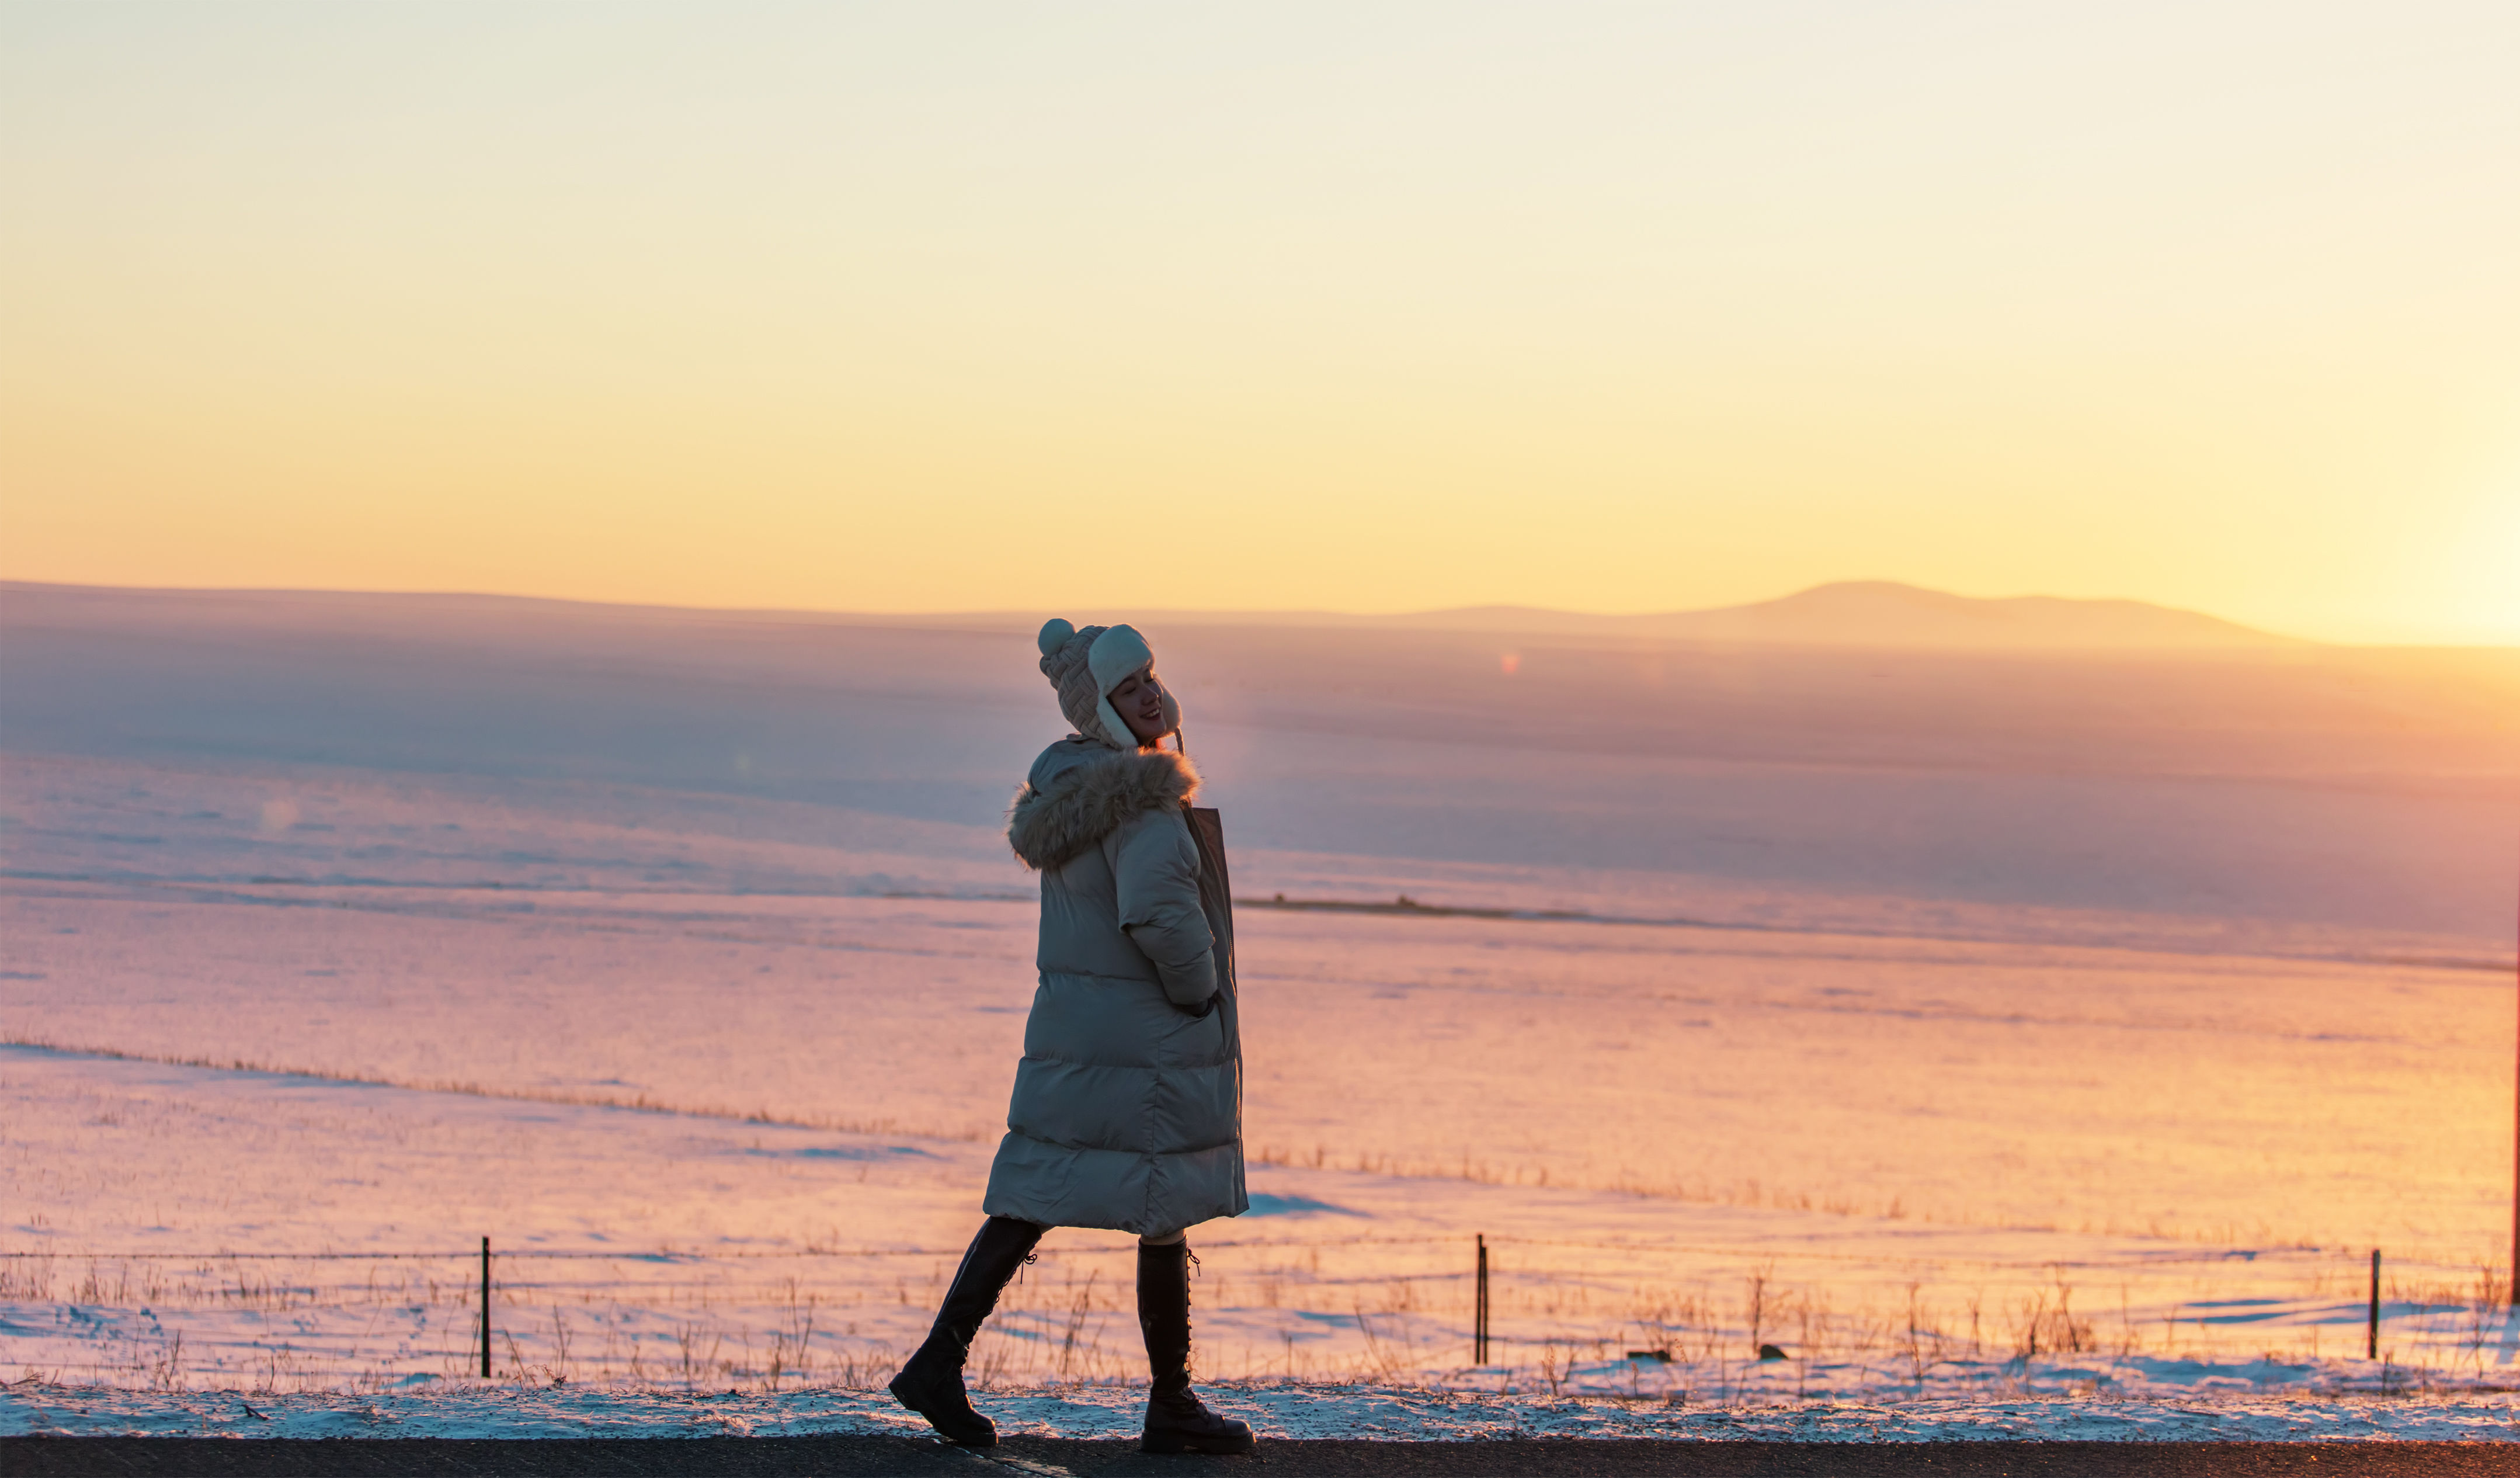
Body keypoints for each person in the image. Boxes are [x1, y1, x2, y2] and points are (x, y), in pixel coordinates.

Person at [889, 618, 1253, 1456]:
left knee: (1040, 1188)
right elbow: (1160, 912)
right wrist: (1199, 993)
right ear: (1103, 711)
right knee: (1159, 1204)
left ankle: (939, 1362)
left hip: (1079, 1030)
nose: (1151, 693)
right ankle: (1171, 1404)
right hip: (1146, 1038)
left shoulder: (1076, 791)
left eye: (1151, 677)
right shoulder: (1144, 798)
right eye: (1130, 688)